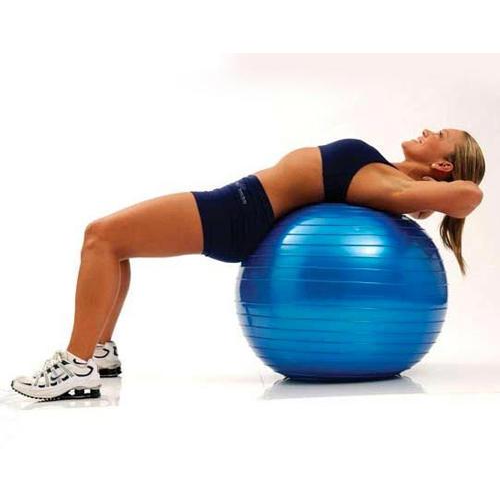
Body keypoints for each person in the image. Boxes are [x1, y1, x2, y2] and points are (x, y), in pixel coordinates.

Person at [11, 128, 485, 401]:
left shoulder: (393, 187)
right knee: (113, 242)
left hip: (239, 213)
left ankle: (75, 366)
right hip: (239, 204)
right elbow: (449, 195)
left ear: (444, 166)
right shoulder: (389, 177)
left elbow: (468, 196)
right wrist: (426, 193)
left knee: (102, 237)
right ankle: (98, 354)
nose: (428, 130)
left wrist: (430, 194)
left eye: (440, 136)